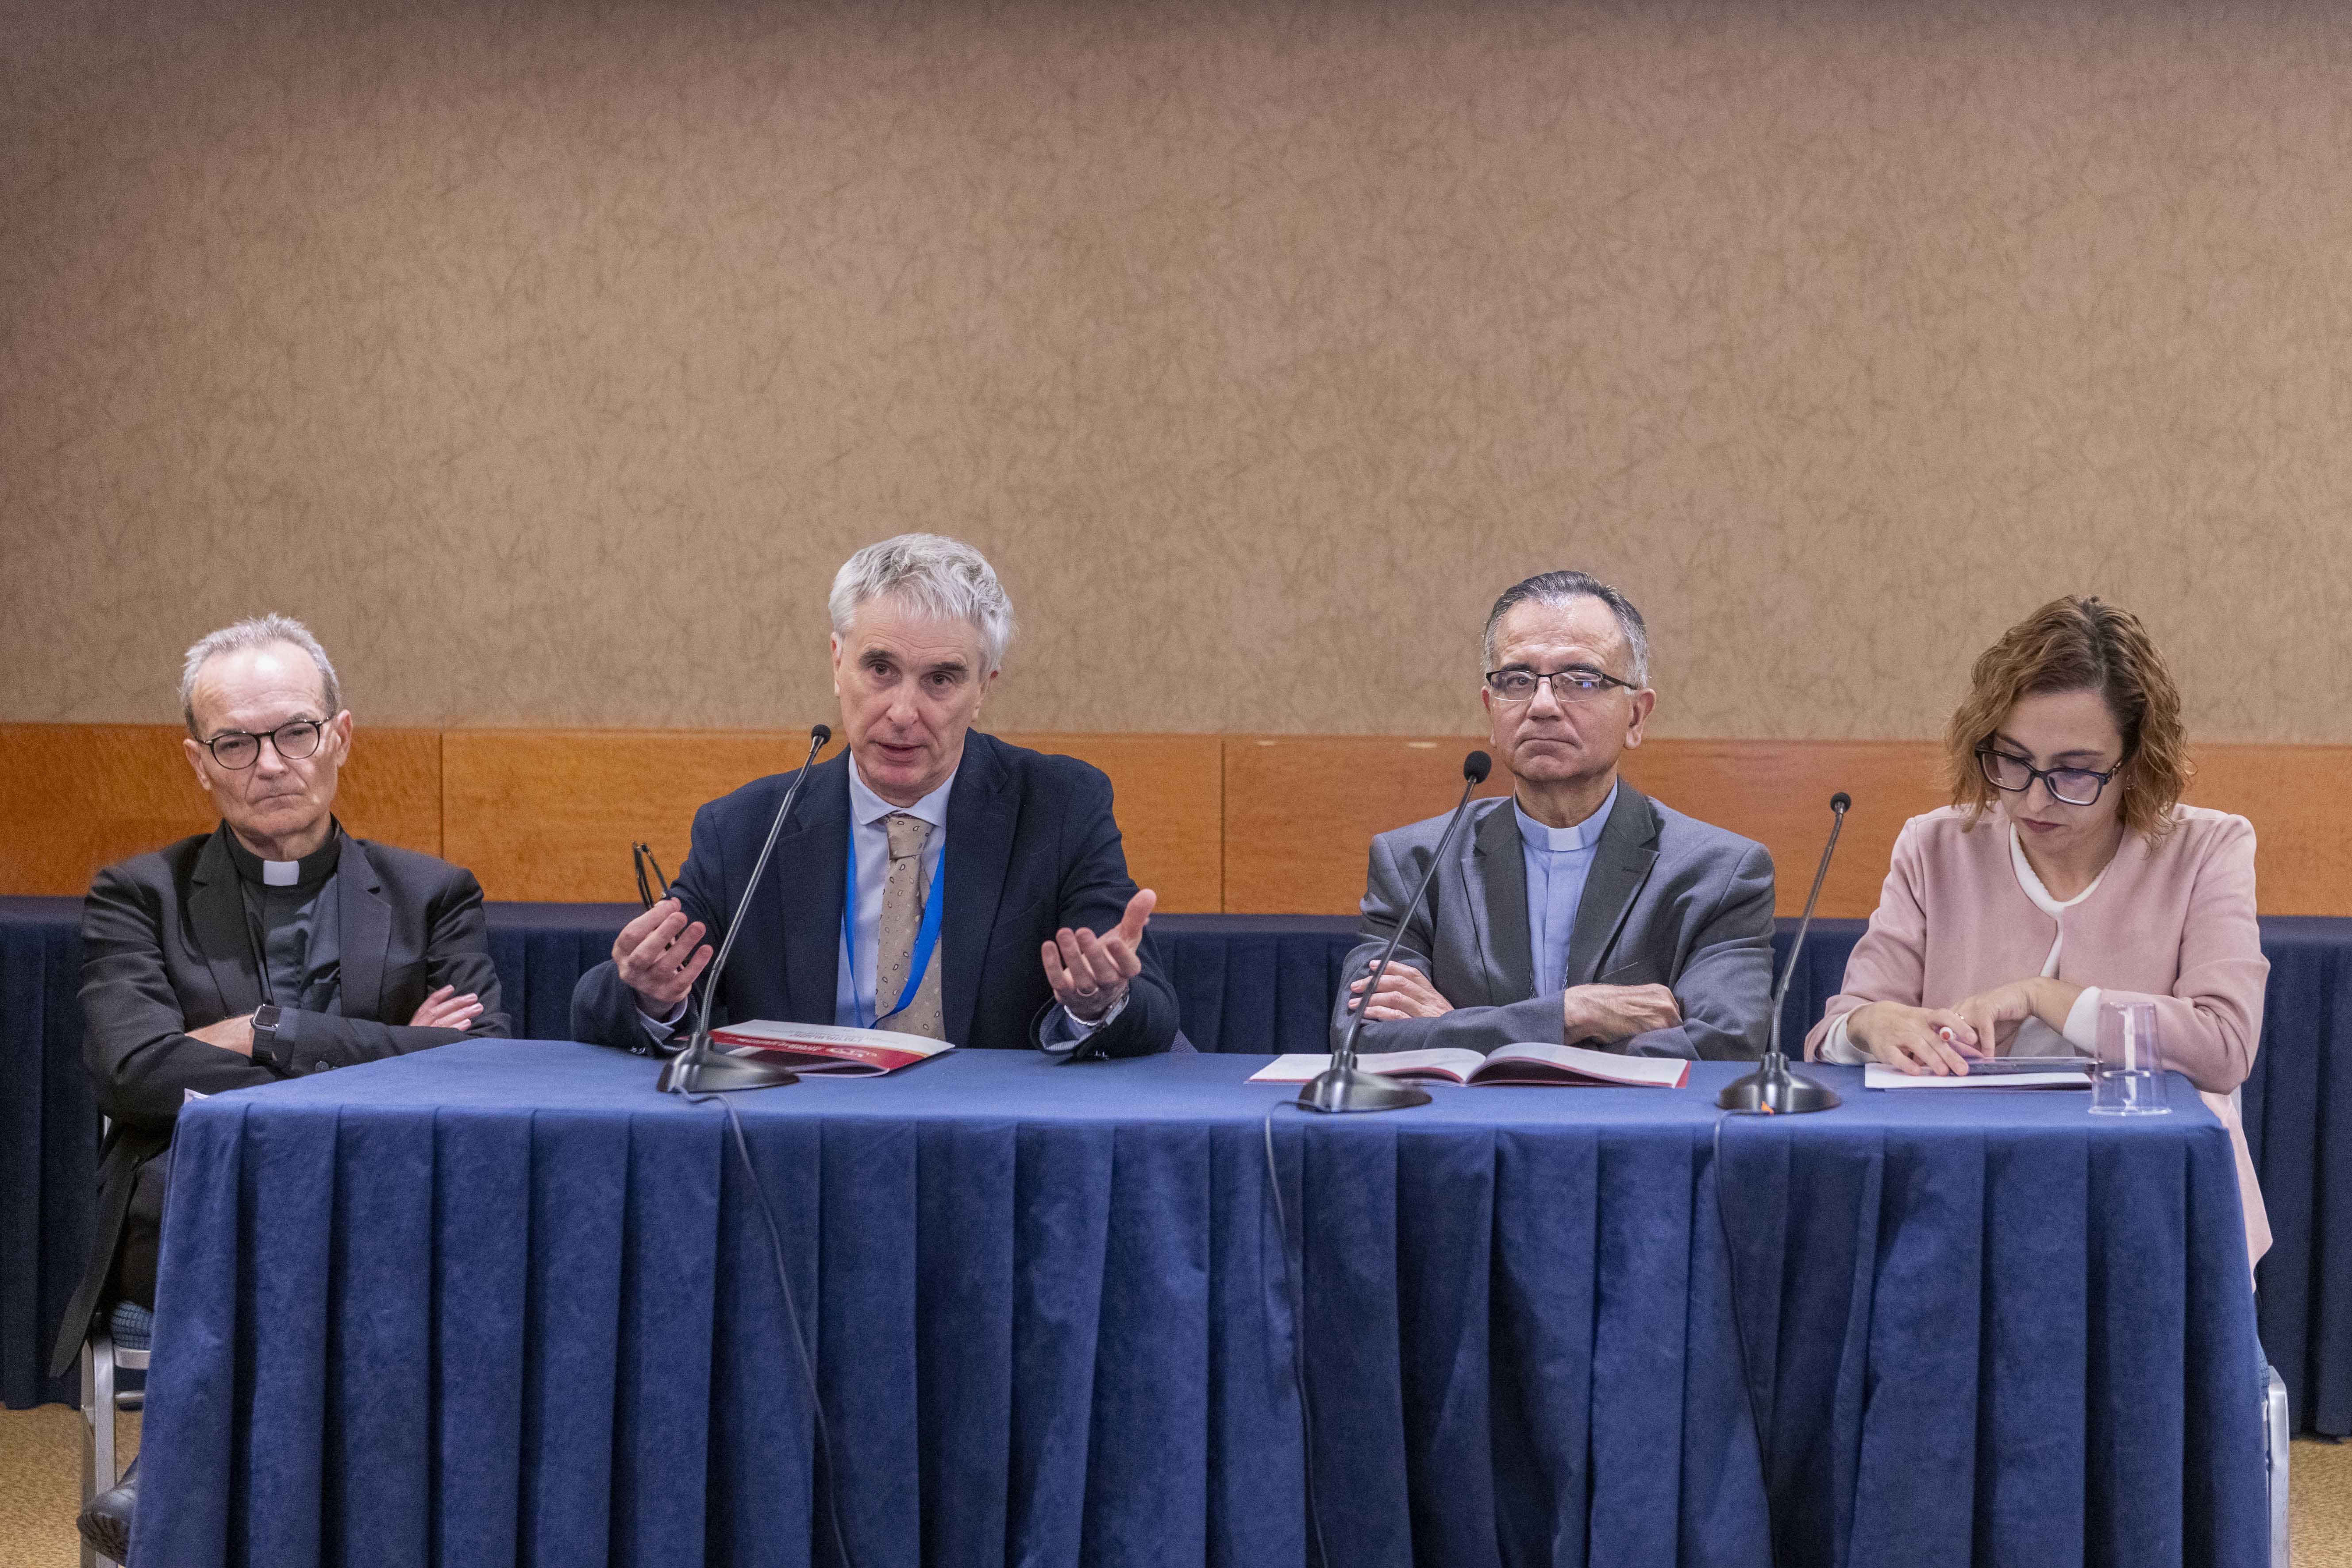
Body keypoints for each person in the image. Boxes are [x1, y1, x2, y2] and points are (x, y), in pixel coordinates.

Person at [62, 614, 507, 1560]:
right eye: (235, 740)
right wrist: (392, 1051)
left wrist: (273, 1031)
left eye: (295, 730)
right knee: (248, 1176)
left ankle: (172, 1462)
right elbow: (136, 1069)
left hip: (380, 1211)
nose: (270, 761)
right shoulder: (137, 895)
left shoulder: (435, 895)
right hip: (185, 1206)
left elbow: (488, 1064)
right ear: (198, 760)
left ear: (339, 737)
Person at [572, 534, 1179, 1059]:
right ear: (837, 664)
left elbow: (1150, 1007)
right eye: (880, 669)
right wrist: (650, 992)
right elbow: (612, 1004)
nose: (902, 712)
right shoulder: (747, 829)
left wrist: (1099, 1003)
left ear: (981, 691)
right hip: (800, 1138)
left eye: (940, 679)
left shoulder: (1059, 808)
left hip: (984, 1142)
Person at [1805, 596, 2270, 1259]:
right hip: (1958, 1213)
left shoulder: (2206, 849)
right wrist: (1870, 1024)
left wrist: (2041, 997)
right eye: (2012, 760)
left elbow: (2222, 1048)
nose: (2032, 797)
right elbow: (1833, 1028)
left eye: (2074, 771)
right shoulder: (1935, 847)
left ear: (2135, 761)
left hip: (2152, 1222)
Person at [1332, 570, 1775, 1059]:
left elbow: (1725, 1045)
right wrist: (1571, 1014)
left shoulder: (1718, 872)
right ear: (1491, 711)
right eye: (1517, 680)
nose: (1542, 705)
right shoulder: (1416, 863)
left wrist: (1456, 1029)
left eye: (1580, 680)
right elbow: (1361, 1036)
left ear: (1636, 717)